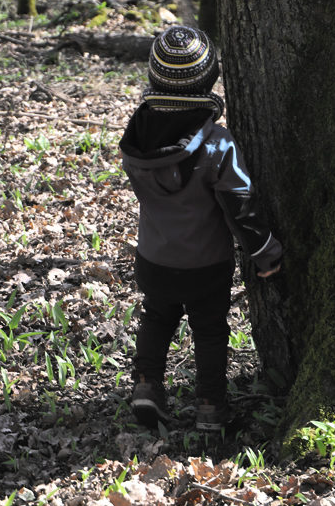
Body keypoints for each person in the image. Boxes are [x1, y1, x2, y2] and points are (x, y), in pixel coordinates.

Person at [119, 25, 283, 432]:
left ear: (155, 76)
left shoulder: (137, 138)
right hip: (207, 264)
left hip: (154, 257)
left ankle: (146, 385)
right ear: (208, 79)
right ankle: (210, 406)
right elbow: (238, 206)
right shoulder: (217, 144)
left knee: (157, 317)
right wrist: (264, 253)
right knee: (210, 331)